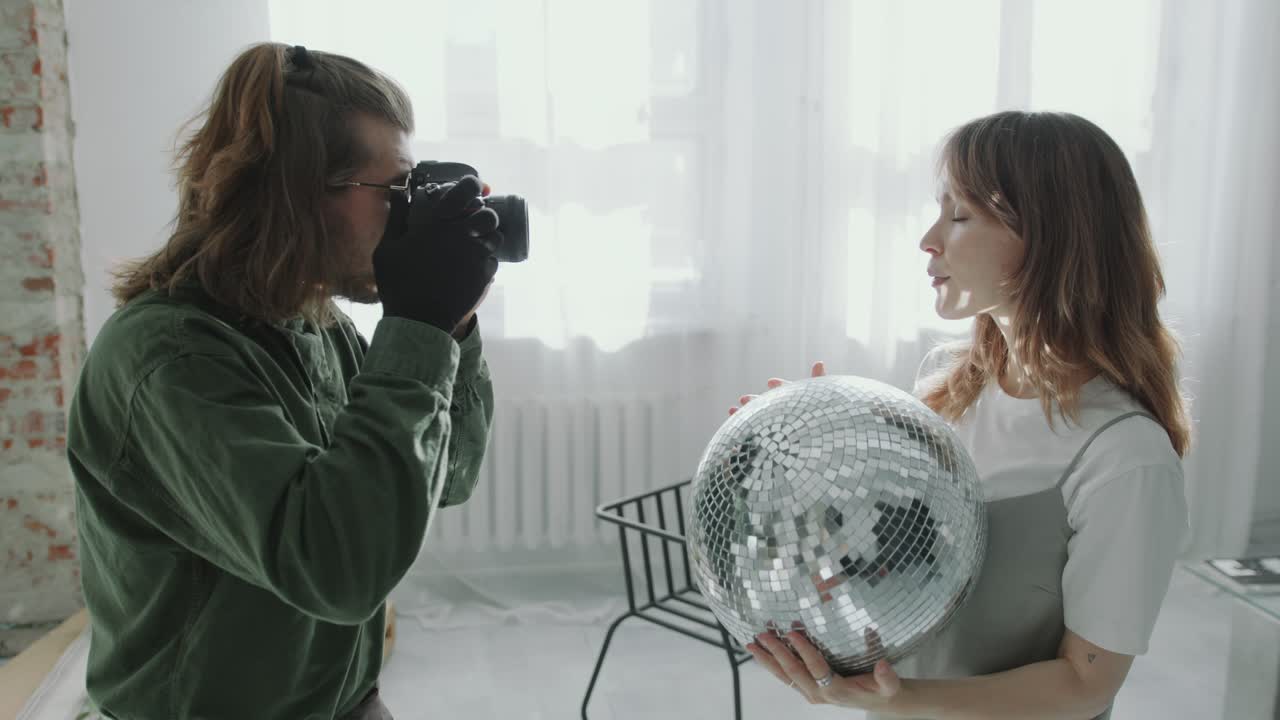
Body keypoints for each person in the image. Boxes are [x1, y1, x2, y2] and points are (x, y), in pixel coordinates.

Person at [66, 43, 500, 720]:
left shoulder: (318, 328)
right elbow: (338, 569)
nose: (406, 216)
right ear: (296, 197)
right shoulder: (168, 361)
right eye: (394, 192)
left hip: (346, 701)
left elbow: (452, 476)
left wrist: (451, 324)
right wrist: (418, 323)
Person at [732, 111, 1190, 719]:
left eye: (959, 216)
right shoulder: (946, 392)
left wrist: (904, 701)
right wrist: (814, 450)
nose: (928, 239)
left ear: (1050, 236)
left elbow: (1087, 686)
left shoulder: (1124, 456)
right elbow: (893, 568)